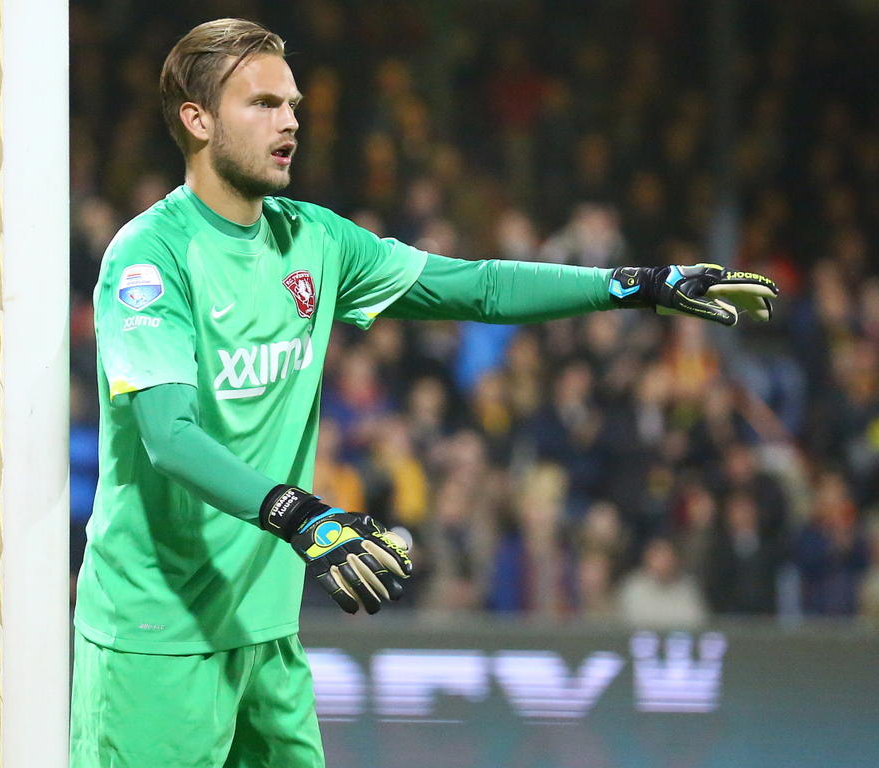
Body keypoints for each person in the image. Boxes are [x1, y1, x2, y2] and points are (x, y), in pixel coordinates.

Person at [69, 18, 779, 768]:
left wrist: (639, 286)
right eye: (265, 104)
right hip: (158, 635)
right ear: (198, 119)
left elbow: (479, 286)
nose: (291, 122)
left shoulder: (316, 240)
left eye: (295, 105)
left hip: (265, 628)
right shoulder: (150, 258)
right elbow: (169, 436)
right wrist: (302, 516)